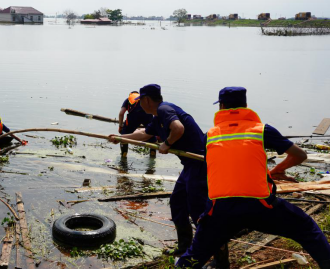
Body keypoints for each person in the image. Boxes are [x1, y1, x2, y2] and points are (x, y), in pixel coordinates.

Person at [176, 87, 330, 268]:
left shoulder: (208, 136)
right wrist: (276, 171)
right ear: (246, 106)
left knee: (194, 256)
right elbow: (300, 155)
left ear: (221, 107)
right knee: (307, 228)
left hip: (221, 209)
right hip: (260, 205)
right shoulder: (262, 130)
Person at [109, 84, 228, 266]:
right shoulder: (157, 118)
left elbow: (178, 128)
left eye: (141, 101)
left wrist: (167, 143)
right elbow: (144, 135)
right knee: (177, 203)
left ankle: (220, 258)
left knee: (198, 212)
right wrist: (121, 137)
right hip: (189, 165)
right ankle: (184, 245)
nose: (140, 105)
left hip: (200, 164)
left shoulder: (165, 109)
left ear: (147, 100)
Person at [118, 91, 156, 157]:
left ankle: (124, 154)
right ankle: (153, 153)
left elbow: (121, 113)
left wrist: (120, 125)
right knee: (151, 133)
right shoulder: (144, 99)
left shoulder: (128, 99)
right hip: (147, 114)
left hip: (134, 116)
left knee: (125, 134)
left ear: (130, 94)